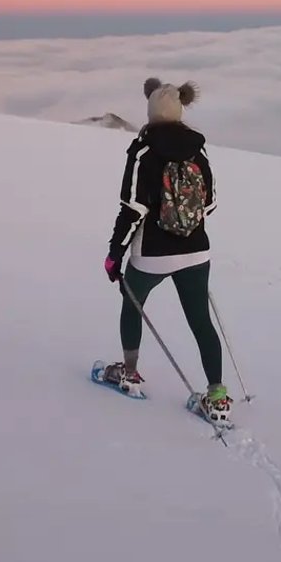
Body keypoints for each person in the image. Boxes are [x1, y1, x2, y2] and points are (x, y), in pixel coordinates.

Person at [102, 78, 227, 423]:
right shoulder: (198, 150)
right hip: (197, 250)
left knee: (133, 303)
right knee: (201, 320)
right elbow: (210, 203)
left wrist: (115, 254)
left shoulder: (143, 151)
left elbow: (133, 209)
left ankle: (129, 374)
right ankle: (216, 395)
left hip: (152, 253)